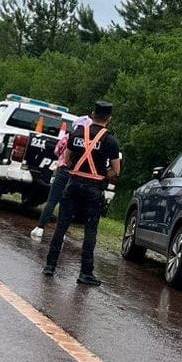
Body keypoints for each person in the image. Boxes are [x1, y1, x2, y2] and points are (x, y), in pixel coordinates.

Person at [43, 101, 121, 286]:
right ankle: (85, 273)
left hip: (73, 183)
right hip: (94, 188)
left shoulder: (77, 133)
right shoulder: (110, 140)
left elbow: (67, 157)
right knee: (90, 230)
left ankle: (50, 266)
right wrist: (102, 176)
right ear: (109, 119)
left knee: (61, 225)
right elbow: (116, 170)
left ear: (92, 115)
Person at [30, 114, 92, 240]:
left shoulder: (68, 137)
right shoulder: (89, 143)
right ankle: (61, 233)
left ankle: (40, 228)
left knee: (52, 200)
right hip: (76, 174)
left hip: (62, 170)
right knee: (68, 204)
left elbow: (57, 151)